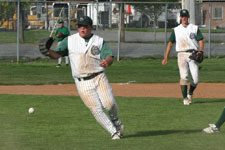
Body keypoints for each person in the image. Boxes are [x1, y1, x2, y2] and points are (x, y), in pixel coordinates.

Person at [48, 16, 124, 140]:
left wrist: (107, 62)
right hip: (82, 82)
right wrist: (47, 51)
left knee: (109, 104)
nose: (82, 28)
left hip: (99, 77)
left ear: (91, 27)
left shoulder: (98, 41)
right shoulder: (70, 40)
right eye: (79, 26)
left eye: (85, 26)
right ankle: (114, 132)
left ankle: (116, 121)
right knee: (96, 109)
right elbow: (57, 54)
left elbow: (109, 56)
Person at [162, 9, 204, 105]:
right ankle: (185, 98)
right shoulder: (176, 30)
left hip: (193, 54)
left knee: (196, 79)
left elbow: (201, 41)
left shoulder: (194, 28)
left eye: (185, 16)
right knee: (184, 76)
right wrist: (166, 57)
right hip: (181, 54)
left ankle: (190, 93)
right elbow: (170, 44)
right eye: (182, 16)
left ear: (188, 17)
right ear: (180, 17)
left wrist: (200, 50)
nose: (184, 18)